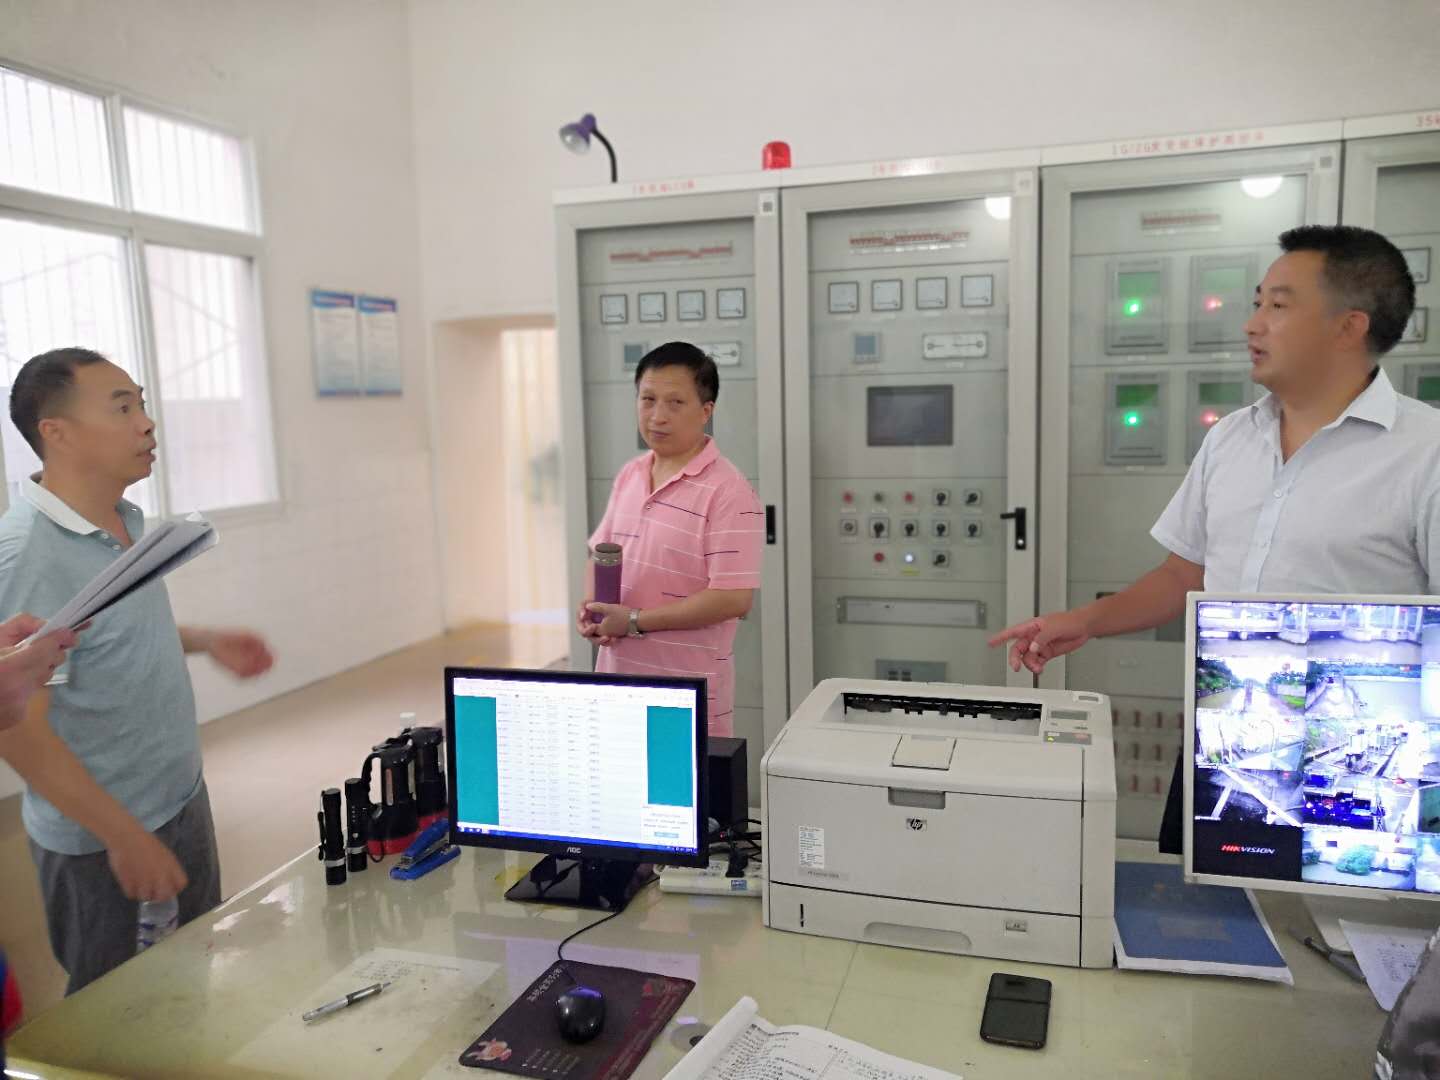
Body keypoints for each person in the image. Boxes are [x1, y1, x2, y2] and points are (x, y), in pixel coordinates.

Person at [988, 224, 1439, 844]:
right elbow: (1185, 573)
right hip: (1225, 743)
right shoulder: (1231, 439)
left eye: (1278, 306)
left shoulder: (1425, 453)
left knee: (1339, 896)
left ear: (1348, 327)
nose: (1253, 325)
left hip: (1351, 759)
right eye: (1257, 303)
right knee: (1205, 897)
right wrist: (1085, 621)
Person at [0, 347, 275, 995]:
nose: (147, 423)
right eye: (122, 408)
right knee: (118, 1015)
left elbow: (96, 636)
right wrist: (123, 836)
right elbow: (18, 729)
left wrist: (204, 641)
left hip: (177, 798)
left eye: (142, 404)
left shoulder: (120, 519)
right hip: (103, 837)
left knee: (189, 985)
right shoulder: (27, 553)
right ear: (57, 433)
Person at [577, 342, 763, 737]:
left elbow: (733, 598)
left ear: (706, 411)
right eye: (648, 399)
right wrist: (593, 610)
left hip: (687, 695)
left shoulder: (729, 491)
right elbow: (600, 553)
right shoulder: (631, 474)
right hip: (617, 686)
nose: (657, 416)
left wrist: (633, 621)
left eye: (675, 402)